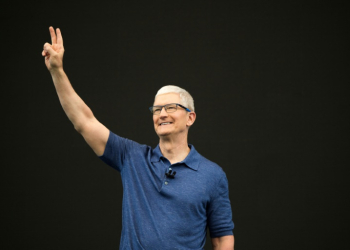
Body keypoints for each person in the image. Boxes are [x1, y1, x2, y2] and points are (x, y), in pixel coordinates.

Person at [42, 26, 234, 250]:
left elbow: (222, 239)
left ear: (190, 117)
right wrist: (57, 71)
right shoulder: (131, 157)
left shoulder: (213, 175)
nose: (162, 114)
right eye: (156, 109)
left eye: (170, 107)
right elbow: (84, 121)